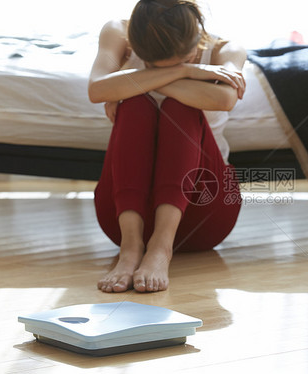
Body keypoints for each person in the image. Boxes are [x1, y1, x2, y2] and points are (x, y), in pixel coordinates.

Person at [88, 0, 246, 293]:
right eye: (149, 66)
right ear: (134, 43)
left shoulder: (227, 50)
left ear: (197, 42)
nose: (168, 70)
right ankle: (131, 248)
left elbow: (225, 99)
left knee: (180, 108)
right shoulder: (117, 32)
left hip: (204, 211)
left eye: (180, 64)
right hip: (122, 216)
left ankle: (161, 249)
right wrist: (186, 73)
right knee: (136, 105)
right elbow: (96, 89)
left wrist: (136, 81)